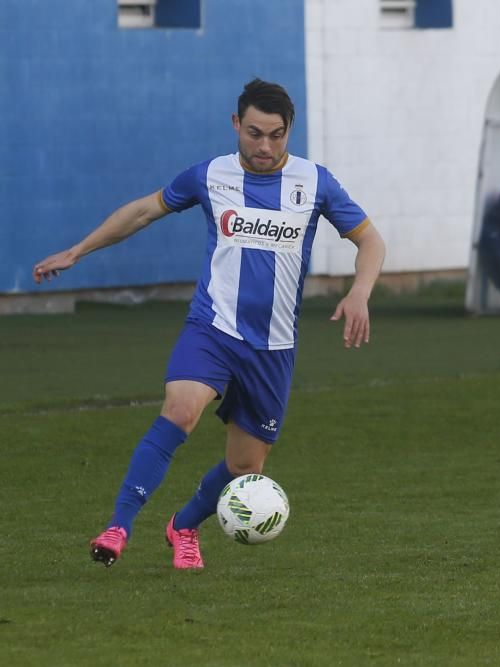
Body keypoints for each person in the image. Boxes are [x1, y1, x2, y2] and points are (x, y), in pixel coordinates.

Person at [33, 78, 386, 570]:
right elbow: (141, 212)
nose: (265, 146)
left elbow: (371, 241)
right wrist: (77, 251)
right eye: (255, 133)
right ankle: (118, 526)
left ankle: (182, 525)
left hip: (274, 347)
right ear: (236, 124)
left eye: (277, 135)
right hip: (213, 328)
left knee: (245, 467)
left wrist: (360, 292)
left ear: (290, 132)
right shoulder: (210, 176)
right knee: (180, 410)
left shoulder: (315, 182)